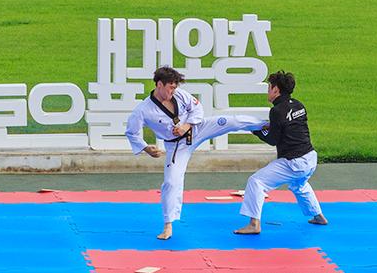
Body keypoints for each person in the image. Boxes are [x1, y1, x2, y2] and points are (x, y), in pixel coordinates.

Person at [125, 66, 267, 240]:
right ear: (159, 85)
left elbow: (198, 110)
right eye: (170, 87)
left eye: (175, 86)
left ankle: (266, 125)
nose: (173, 90)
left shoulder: (180, 94)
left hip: (198, 129)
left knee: (231, 121)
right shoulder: (143, 110)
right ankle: (168, 225)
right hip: (177, 146)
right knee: (171, 182)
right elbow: (132, 132)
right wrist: (147, 148)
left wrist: (187, 125)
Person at [234, 71, 327, 235]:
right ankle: (319, 216)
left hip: (294, 163)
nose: (268, 91)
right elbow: (288, 127)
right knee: (299, 185)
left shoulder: (277, 111)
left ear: (276, 89)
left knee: (256, 182)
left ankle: (254, 224)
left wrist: (255, 130)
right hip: (310, 158)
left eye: (269, 87)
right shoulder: (299, 105)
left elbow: (272, 139)